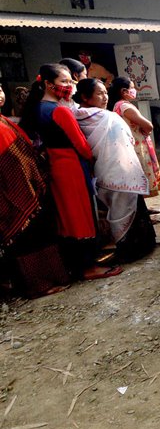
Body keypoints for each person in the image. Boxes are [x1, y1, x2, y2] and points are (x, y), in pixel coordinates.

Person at [19, 64, 122, 281]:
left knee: (67, 216)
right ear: (49, 84)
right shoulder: (60, 110)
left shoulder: (37, 108)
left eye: (70, 81)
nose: (69, 85)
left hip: (54, 166)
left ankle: (75, 265)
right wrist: (94, 158)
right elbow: (82, 146)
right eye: (64, 81)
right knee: (81, 215)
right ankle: (88, 266)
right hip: (72, 167)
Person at [74, 78, 156, 263]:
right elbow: (128, 138)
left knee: (120, 208)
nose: (105, 97)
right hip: (119, 168)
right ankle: (132, 249)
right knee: (123, 208)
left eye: (105, 92)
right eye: (99, 93)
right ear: (85, 97)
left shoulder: (76, 116)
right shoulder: (107, 117)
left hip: (105, 170)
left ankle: (131, 247)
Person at [0, 85, 71, 296]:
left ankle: (51, 277)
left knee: (40, 233)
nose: (0, 95)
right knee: (26, 239)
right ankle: (37, 285)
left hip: (27, 186)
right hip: (13, 192)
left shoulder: (4, 120)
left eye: (0, 89)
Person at [108, 77, 160, 199]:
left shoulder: (117, 105)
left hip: (129, 143)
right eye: (132, 88)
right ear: (124, 91)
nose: (135, 90)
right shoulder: (125, 107)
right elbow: (148, 125)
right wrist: (146, 131)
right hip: (137, 145)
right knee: (140, 173)